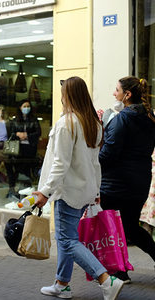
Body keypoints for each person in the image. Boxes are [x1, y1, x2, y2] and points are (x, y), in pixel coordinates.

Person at [32, 77, 124, 300]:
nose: (61, 96)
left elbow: (59, 164)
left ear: (69, 95)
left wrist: (45, 191)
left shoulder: (67, 123)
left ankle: (105, 280)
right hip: (83, 190)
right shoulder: (92, 123)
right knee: (67, 237)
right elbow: (95, 163)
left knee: (66, 240)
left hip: (67, 191)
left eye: (63, 92)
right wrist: (96, 191)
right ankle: (62, 284)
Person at [99, 76, 155, 283]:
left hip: (116, 184)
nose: (114, 94)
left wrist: (93, 164)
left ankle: (119, 271)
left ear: (127, 95)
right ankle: (122, 269)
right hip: (139, 182)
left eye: (117, 90)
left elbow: (108, 154)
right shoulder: (149, 118)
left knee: (112, 229)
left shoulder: (122, 118)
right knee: (131, 227)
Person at [13, 99, 41, 187]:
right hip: (18, 148)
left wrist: (27, 135)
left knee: (28, 168)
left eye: (28, 106)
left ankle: (27, 187)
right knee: (19, 168)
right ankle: (21, 187)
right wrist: (18, 134)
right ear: (20, 108)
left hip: (30, 147)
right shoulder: (15, 120)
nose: (26, 108)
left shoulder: (34, 119)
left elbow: (38, 133)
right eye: (24, 106)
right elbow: (11, 133)